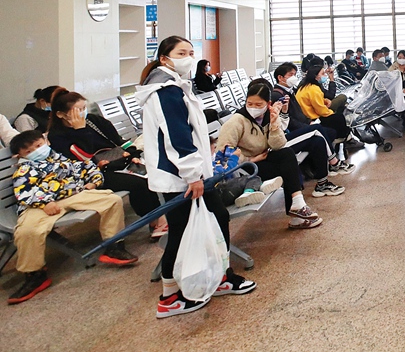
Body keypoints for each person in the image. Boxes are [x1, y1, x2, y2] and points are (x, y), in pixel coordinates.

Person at [137, 35, 256, 318]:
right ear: (164, 58)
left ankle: (221, 276)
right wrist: (192, 175)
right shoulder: (164, 90)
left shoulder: (176, 85)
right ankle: (169, 297)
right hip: (180, 176)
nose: (189, 57)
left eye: (191, 52)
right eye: (181, 53)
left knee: (218, 216)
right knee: (179, 232)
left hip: (197, 173)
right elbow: (177, 136)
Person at [8, 130, 138, 304]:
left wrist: (94, 181)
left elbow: (86, 167)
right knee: (27, 230)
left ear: (45, 142)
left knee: (111, 201)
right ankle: (34, 274)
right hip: (40, 205)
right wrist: (44, 203)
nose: (37, 151)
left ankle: (114, 245)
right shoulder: (24, 170)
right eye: (29, 151)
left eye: (39, 145)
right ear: (20, 156)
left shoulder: (60, 159)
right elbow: (23, 192)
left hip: (73, 195)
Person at [46, 88, 167, 238]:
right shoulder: (57, 135)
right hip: (91, 174)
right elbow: (83, 157)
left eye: (84, 108)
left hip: (117, 162)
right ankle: (154, 219)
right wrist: (81, 131)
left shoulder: (93, 120)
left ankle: (157, 217)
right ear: (61, 114)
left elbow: (118, 140)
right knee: (137, 183)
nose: (83, 113)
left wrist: (133, 154)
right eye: (78, 110)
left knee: (148, 175)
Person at [218, 79, 336, 215]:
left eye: (258, 104)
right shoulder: (236, 122)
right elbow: (223, 155)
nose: (253, 108)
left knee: (287, 154)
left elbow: (278, 145)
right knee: (288, 166)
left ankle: (297, 204)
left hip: (263, 158)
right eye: (249, 104)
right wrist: (249, 160)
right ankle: (297, 209)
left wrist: (274, 125)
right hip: (247, 167)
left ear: (268, 104)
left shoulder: (268, 116)